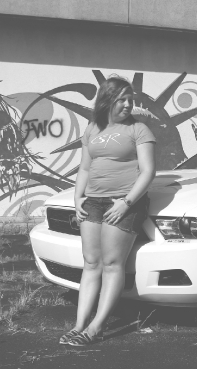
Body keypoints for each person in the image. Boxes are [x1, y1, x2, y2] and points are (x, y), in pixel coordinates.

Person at [60, 75, 156, 346]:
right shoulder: (92, 129)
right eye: (122, 99)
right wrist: (77, 198)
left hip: (124, 203)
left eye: (131, 99)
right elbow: (85, 168)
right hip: (93, 201)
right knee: (91, 263)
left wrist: (126, 203)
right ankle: (79, 325)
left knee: (113, 265)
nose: (128, 104)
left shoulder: (139, 130)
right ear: (107, 101)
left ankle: (96, 327)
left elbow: (148, 172)